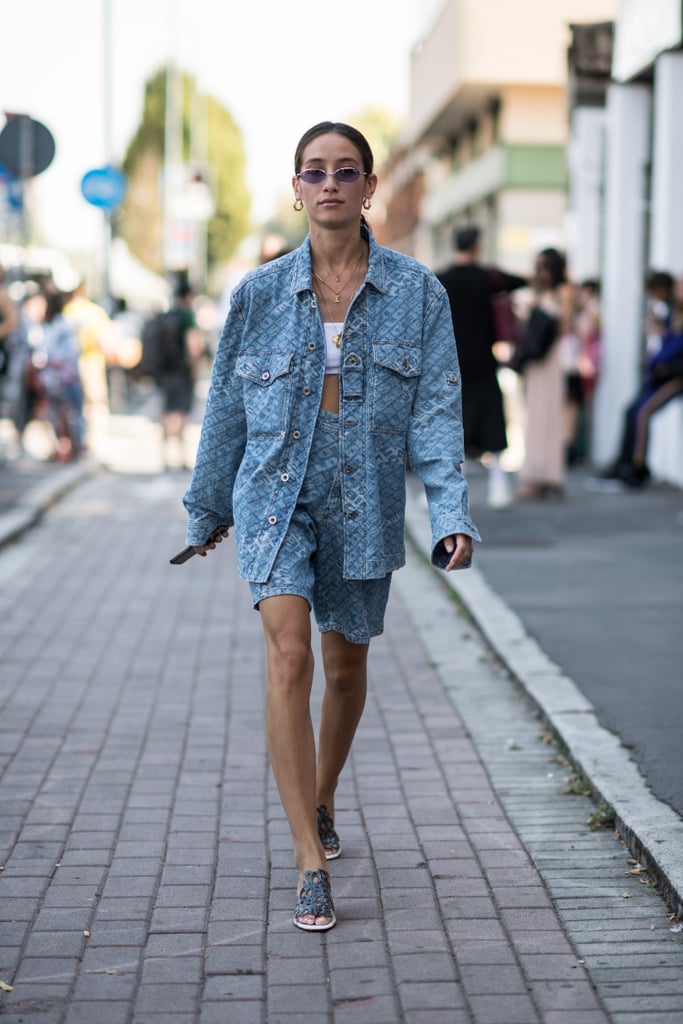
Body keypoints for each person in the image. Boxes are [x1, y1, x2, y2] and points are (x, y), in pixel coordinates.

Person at [180, 121, 480, 932]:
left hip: (366, 496)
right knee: (289, 653)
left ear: (369, 186)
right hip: (274, 494)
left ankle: (321, 797)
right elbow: (225, 411)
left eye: (346, 171)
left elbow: (437, 409)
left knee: (345, 669)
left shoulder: (418, 292)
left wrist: (449, 511)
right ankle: (309, 862)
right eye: (314, 171)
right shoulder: (257, 293)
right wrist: (208, 508)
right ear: (296, 188)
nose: (330, 184)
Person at [437, 226, 526, 506]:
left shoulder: (442, 279)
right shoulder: (488, 278)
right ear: (477, 246)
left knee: (452, 425)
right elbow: (519, 281)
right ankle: (499, 487)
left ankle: (447, 494)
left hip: (450, 364)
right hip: (484, 362)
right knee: (492, 423)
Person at [600, 273, 683, 487]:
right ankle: (624, 462)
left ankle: (636, 467)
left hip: (675, 377)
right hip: (660, 376)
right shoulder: (671, 311)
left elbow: (674, 347)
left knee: (642, 413)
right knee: (631, 410)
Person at [512, 248, 576, 500]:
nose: (541, 273)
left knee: (548, 416)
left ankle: (546, 474)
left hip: (551, 359)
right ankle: (538, 473)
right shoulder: (540, 293)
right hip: (536, 361)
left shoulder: (563, 293)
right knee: (535, 416)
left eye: (545, 267)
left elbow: (565, 326)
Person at [155, 283, 203, 470]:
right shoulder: (187, 316)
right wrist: (195, 369)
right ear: (188, 296)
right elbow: (194, 346)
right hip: (182, 372)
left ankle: (165, 456)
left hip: (166, 371)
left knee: (167, 412)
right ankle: (181, 457)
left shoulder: (168, 315)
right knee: (181, 413)